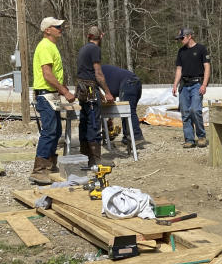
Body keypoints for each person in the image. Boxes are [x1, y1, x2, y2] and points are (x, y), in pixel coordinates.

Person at [31, 17, 74, 184]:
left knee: (55, 132)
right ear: (47, 30)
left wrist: (64, 91)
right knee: (49, 131)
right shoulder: (45, 47)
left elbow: (55, 74)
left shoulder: (52, 47)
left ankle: (49, 165)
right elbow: (47, 75)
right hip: (46, 95)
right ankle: (39, 170)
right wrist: (64, 91)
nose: (60, 29)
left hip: (52, 95)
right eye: (57, 27)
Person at [75, 26, 112, 167]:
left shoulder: (83, 49)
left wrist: (100, 92)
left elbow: (85, 73)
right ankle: (95, 160)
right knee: (94, 124)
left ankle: (85, 157)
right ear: (101, 36)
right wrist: (107, 92)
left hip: (83, 90)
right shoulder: (95, 49)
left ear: (88, 36)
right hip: (90, 91)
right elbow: (98, 74)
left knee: (84, 123)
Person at [171, 27, 211, 148]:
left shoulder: (201, 49)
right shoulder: (181, 51)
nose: (180, 40)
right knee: (185, 113)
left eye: (182, 38)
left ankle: (201, 136)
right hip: (184, 85)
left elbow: (207, 68)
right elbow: (179, 69)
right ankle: (189, 139)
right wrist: (175, 84)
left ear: (189, 36)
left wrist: (204, 84)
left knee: (195, 110)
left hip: (197, 84)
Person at [101, 64, 145, 147]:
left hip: (129, 83)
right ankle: (127, 139)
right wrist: (110, 118)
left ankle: (136, 136)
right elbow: (111, 98)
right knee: (126, 113)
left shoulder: (97, 73)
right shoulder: (107, 75)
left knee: (129, 111)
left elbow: (106, 95)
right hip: (134, 82)